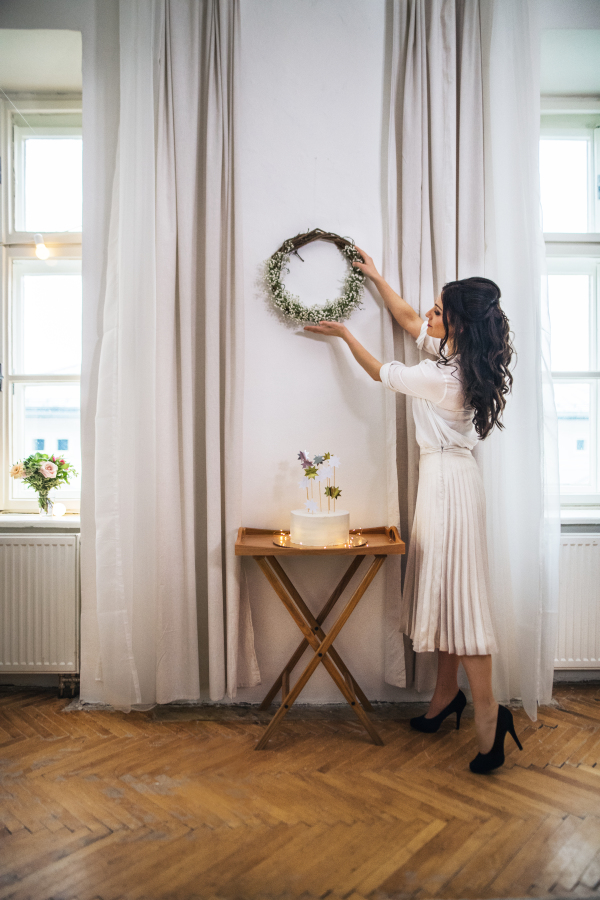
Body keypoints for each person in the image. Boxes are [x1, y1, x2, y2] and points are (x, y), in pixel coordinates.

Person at [304, 247, 521, 774]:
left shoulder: (444, 378)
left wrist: (345, 336)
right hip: (446, 483)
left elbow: (381, 371)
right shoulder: (454, 360)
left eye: (438, 311)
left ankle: (492, 718)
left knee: (463, 602)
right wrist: (375, 276)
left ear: (458, 325)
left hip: (450, 489)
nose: (426, 313)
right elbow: (405, 317)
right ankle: (446, 697)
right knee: (447, 593)